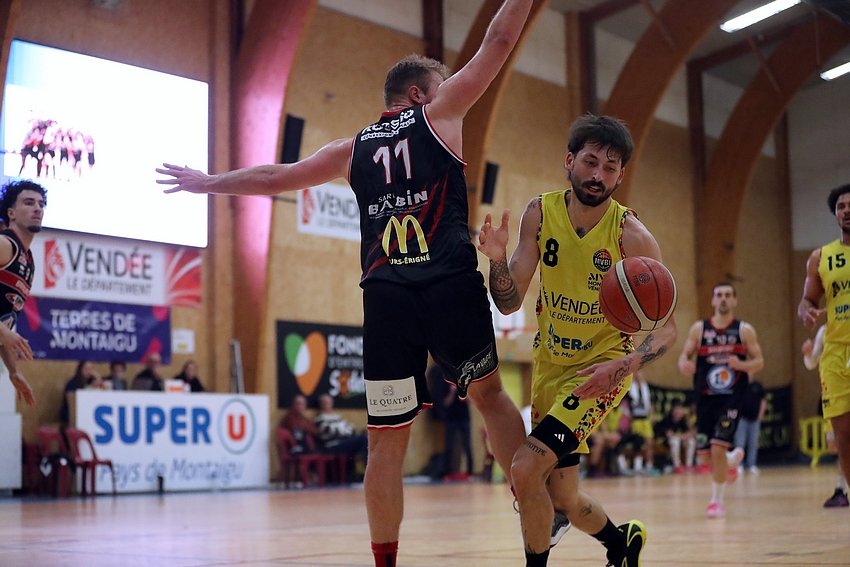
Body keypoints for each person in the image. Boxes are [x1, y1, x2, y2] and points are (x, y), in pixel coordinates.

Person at [158, 2, 533, 565]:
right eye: (439, 86)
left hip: (387, 300)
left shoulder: (351, 150)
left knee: (385, 442)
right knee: (490, 396)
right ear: (418, 95)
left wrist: (208, 182)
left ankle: (385, 561)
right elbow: (499, 41)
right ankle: (532, 505)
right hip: (449, 283)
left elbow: (274, 177)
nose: (449, 90)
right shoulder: (441, 111)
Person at [478, 113, 677, 566]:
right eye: (590, 162)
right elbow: (508, 302)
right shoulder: (539, 213)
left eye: (610, 168)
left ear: (620, 176)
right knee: (563, 498)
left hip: (599, 372)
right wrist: (497, 260)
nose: (598, 175)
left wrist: (621, 368)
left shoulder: (632, 236)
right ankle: (621, 544)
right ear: (569, 161)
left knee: (525, 468)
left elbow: (667, 329)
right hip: (549, 366)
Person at [678, 282, 765, 518]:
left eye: (728, 295)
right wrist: (684, 363)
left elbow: (759, 361)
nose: (723, 299)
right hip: (705, 399)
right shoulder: (699, 329)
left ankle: (716, 501)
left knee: (717, 446)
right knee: (705, 457)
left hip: (731, 399)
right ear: (713, 300)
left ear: (734, 300)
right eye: (719, 295)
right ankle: (730, 461)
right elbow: (684, 355)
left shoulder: (743, 330)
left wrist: (741, 365)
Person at [798, 184, 850, 512]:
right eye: (841, 206)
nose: (847, 209)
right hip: (835, 350)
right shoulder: (821, 257)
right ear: (835, 213)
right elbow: (807, 299)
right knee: (842, 434)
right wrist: (806, 311)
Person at [0, 180, 44, 407]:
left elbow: (4, 322)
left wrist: (13, 370)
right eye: (29, 203)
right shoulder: (4, 245)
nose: (37, 208)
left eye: (41, 204)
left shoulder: (28, 262)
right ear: (11, 213)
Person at [802, 323, 849, 507]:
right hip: (833, 393)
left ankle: (840, 489)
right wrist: (808, 354)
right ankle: (841, 490)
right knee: (835, 445)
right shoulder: (825, 330)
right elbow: (811, 363)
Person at [314, 393, 368, 481]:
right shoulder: (320, 419)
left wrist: (341, 430)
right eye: (325, 402)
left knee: (365, 438)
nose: (327, 404)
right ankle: (366, 473)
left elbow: (351, 429)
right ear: (321, 404)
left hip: (344, 441)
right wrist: (343, 430)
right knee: (363, 439)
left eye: (329, 402)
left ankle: (365, 472)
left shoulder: (337, 417)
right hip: (332, 445)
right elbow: (330, 432)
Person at [734, 378, 767, 475]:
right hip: (742, 419)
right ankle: (739, 465)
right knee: (740, 442)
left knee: (753, 442)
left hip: (755, 419)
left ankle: (752, 464)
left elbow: (763, 401)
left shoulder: (758, 385)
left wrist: (760, 415)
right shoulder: (740, 385)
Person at [626, 370, 656, 474]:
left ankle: (649, 465)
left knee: (649, 443)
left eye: (640, 373)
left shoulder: (645, 387)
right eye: (636, 374)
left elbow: (650, 403)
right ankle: (637, 466)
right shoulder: (629, 387)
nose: (638, 375)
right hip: (635, 419)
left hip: (645, 418)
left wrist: (651, 416)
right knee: (637, 443)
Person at [657, 398, 696, 474]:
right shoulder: (667, 419)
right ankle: (677, 466)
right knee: (675, 441)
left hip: (680, 439)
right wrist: (682, 436)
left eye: (680, 410)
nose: (678, 412)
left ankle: (689, 465)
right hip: (664, 441)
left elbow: (690, 432)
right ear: (673, 411)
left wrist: (685, 434)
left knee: (691, 441)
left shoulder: (683, 420)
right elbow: (670, 435)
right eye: (676, 410)